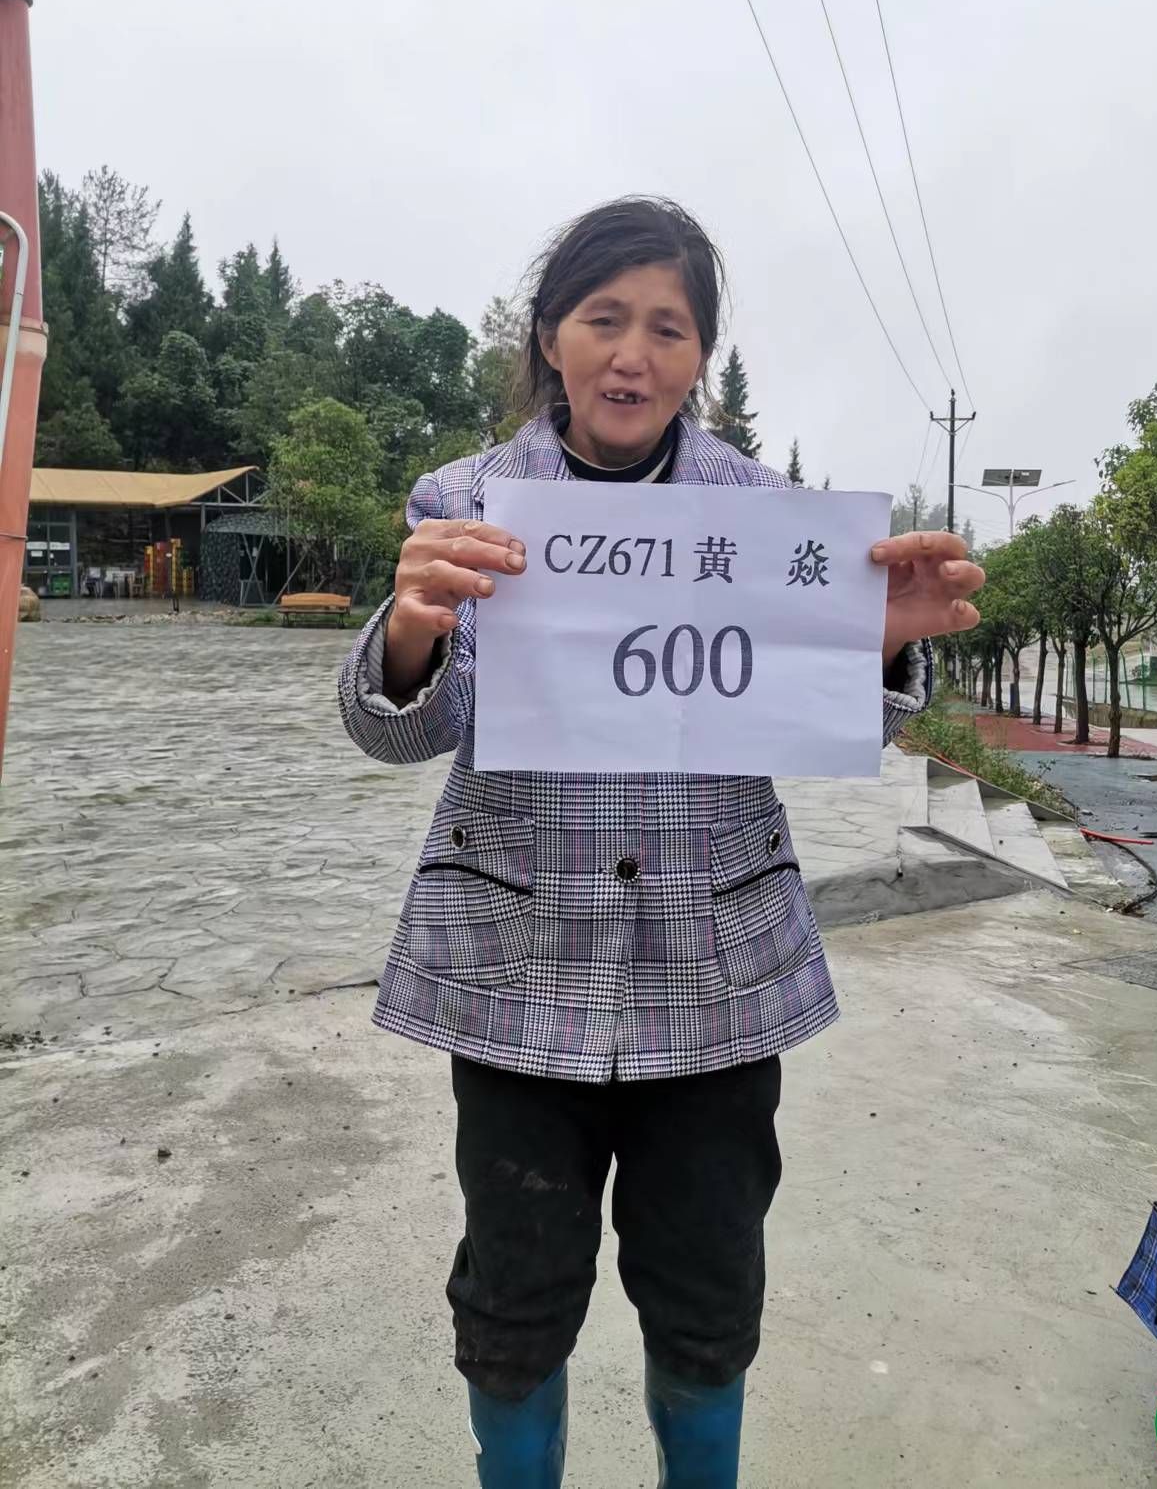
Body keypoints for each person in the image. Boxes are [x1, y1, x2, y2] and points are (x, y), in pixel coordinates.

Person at [338, 197, 983, 1488]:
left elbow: (829, 717)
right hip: (518, 979)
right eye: (604, 319)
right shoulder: (463, 504)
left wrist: (880, 642)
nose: (633, 354)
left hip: (714, 981)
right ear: (551, 337)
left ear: (700, 356)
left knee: (706, 1302)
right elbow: (397, 732)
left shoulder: (771, 522)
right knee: (513, 1309)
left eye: (668, 328)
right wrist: (408, 628)